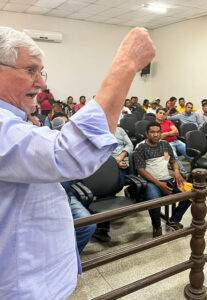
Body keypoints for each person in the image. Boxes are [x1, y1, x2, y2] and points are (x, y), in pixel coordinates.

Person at [0, 26, 155, 299]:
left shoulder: (13, 121)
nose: (42, 83)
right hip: (22, 284)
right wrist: (126, 64)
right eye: (30, 70)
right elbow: (69, 154)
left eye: (41, 72)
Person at [134, 122, 191, 237]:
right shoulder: (141, 147)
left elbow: (172, 161)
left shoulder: (165, 145)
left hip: (167, 178)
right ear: (146, 133)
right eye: (152, 132)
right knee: (154, 200)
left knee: (191, 193)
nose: (155, 135)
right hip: (151, 181)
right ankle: (157, 226)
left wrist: (176, 171)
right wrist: (159, 184)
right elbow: (141, 171)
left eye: (158, 132)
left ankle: (174, 220)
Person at [156, 108, 192, 177]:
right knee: (174, 156)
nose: (162, 115)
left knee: (190, 152)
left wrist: (165, 134)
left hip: (176, 141)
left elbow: (176, 132)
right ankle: (184, 174)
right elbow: (159, 137)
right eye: (160, 113)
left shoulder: (168, 122)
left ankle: (197, 170)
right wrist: (170, 133)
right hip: (166, 144)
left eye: (164, 114)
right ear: (156, 114)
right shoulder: (154, 125)